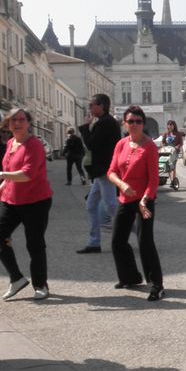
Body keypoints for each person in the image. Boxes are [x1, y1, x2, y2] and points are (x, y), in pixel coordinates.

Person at [0, 108, 54, 301]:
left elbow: (27, 174)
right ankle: (16, 278)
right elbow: (11, 170)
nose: (17, 123)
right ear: (8, 124)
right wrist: (4, 185)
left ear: (28, 123)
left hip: (36, 201)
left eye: (22, 119)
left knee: (35, 244)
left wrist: (1, 176)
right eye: (13, 120)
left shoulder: (34, 145)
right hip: (12, 200)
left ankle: (40, 285)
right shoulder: (10, 143)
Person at [107, 106, 164, 301]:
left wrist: (144, 199)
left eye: (138, 121)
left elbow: (154, 180)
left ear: (143, 123)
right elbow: (111, 172)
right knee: (117, 241)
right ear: (125, 123)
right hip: (125, 197)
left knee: (145, 241)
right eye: (130, 121)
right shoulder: (120, 144)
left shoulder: (149, 147)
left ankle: (156, 284)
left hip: (144, 201)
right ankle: (130, 277)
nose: (134, 125)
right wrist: (123, 185)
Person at [78, 94, 120, 254]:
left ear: (101, 106)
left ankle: (136, 231)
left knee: (111, 205)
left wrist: (85, 127)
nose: (89, 108)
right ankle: (94, 242)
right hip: (101, 171)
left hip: (105, 171)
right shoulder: (105, 122)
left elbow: (91, 144)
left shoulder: (105, 123)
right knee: (91, 205)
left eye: (92, 105)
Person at [161, 121, 184, 188]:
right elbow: (163, 142)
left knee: (172, 165)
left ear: (174, 126)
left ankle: (173, 180)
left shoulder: (178, 134)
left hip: (174, 152)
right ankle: (170, 178)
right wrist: (163, 146)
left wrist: (177, 146)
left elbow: (181, 143)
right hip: (166, 152)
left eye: (171, 125)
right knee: (166, 165)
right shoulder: (166, 134)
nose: (170, 126)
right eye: (169, 125)